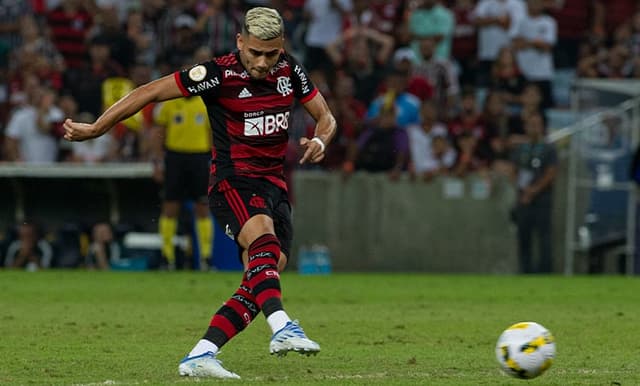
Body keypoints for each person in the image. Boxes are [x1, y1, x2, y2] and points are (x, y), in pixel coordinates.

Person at [62, 7, 336, 380]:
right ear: (240, 42)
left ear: (282, 47)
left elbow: (326, 116)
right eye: (254, 52)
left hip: (274, 186)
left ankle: (201, 354)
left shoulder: (291, 69)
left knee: (262, 274)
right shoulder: (217, 74)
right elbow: (149, 91)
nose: (262, 61)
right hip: (233, 183)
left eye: (271, 53)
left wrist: (321, 138)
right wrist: (97, 128)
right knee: (264, 247)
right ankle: (283, 326)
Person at [151, 77, 214, 270]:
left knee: (202, 206)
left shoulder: (205, 104)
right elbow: (158, 133)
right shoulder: (169, 104)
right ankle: (167, 257)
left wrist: (215, 163)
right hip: (175, 158)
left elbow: (213, 136)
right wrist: (157, 161)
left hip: (199, 158)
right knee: (171, 206)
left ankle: (205, 258)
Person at [510, 113, 557, 274]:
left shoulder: (549, 148)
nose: (534, 128)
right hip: (523, 200)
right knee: (524, 236)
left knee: (544, 236)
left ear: (542, 127)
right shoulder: (521, 149)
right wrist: (524, 190)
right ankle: (526, 271)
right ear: (526, 127)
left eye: (537, 124)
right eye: (531, 125)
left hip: (542, 199)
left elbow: (551, 173)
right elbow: (514, 172)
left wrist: (534, 190)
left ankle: (545, 271)